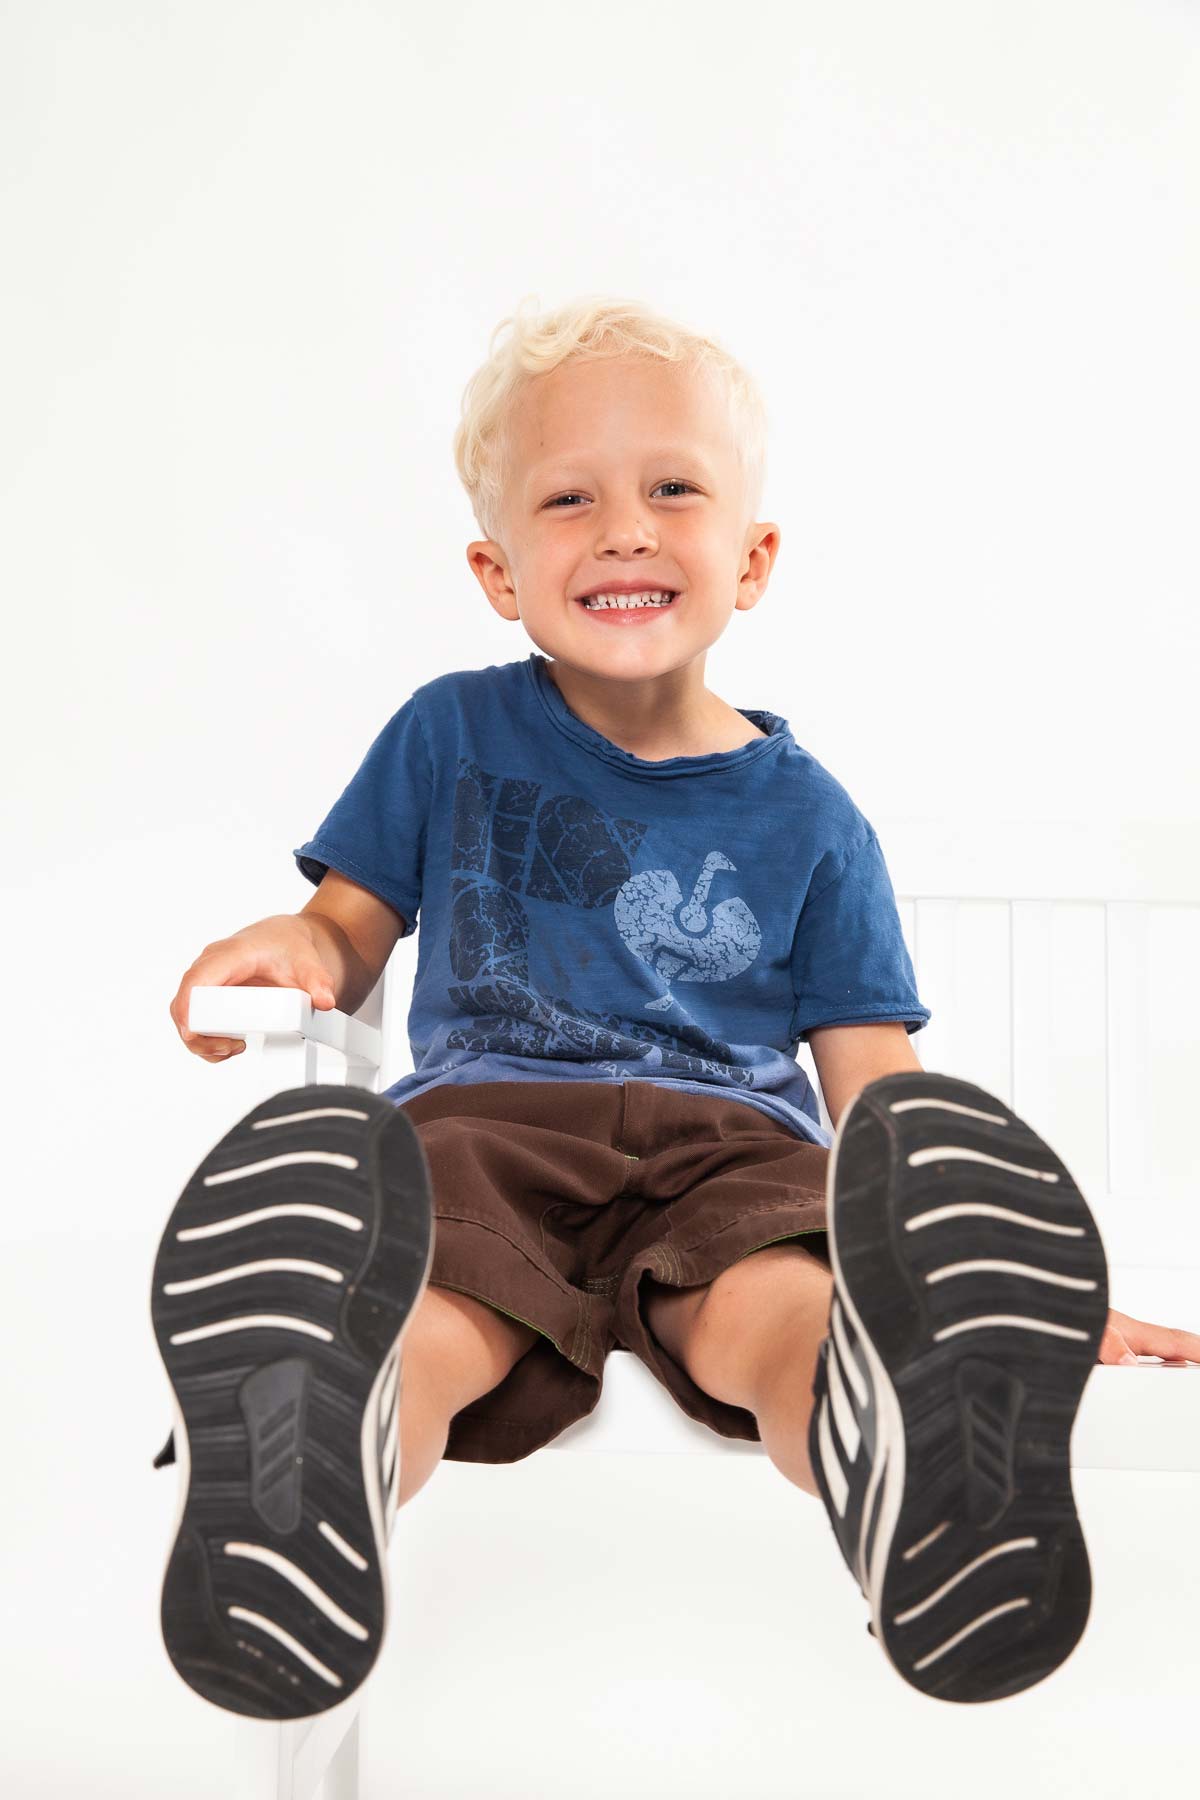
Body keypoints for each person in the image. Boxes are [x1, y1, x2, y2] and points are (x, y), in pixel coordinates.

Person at [151, 293, 1199, 1724]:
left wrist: (963, 1262)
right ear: (497, 572)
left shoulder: (813, 818)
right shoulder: (451, 731)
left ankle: (917, 1456)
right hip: (488, 1133)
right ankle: (314, 1445)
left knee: (786, 1311)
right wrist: (294, 948)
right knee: (433, 1309)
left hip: (730, 1155)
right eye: (568, 499)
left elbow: (877, 1086)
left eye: (673, 491)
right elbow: (345, 927)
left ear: (752, 558)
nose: (624, 530)